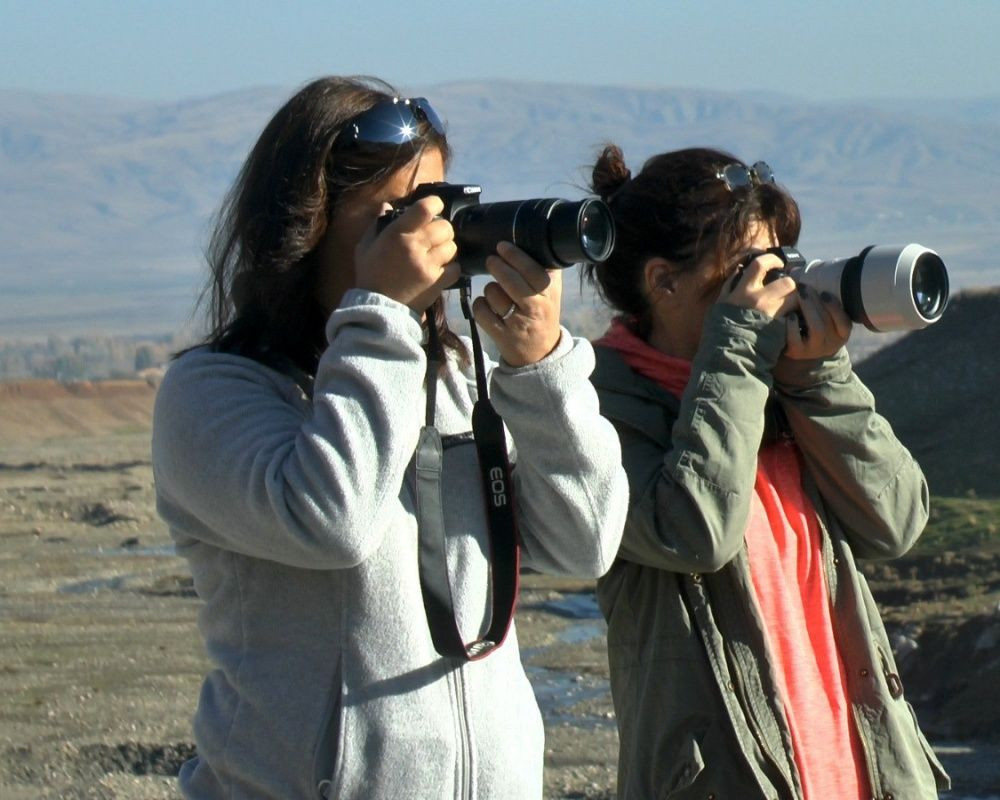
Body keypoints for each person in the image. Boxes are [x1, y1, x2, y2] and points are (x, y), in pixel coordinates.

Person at [151, 76, 628, 800]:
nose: (434, 233)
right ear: (309, 222)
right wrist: (379, 313)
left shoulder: (454, 376)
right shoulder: (213, 395)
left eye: (441, 203)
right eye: (402, 212)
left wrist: (542, 369)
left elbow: (586, 541)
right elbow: (334, 520)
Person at [582, 144, 951, 799]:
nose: (774, 283)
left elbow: (897, 521)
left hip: (859, 774)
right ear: (663, 281)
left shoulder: (779, 386)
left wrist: (820, 377)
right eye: (749, 267)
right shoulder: (600, 407)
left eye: (779, 259)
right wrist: (735, 351)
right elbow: (694, 529)